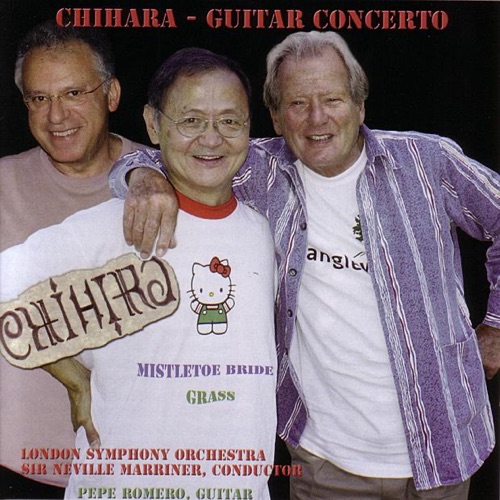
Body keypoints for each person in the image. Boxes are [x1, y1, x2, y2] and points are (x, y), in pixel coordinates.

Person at [110, 31, 500, 499]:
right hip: (324, 463)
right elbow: (167, 153)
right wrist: (144, 177)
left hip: (444, 448)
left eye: (332, 99)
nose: (317, 118)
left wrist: (497, 326)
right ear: (275, 118)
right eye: (297, 103)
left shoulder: (425, 162)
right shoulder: (259, 169)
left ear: (360, 106)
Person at [0, 47, 277, 500]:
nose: (211, 139)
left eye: (229, 121)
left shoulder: (264, 232)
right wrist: (73, 376)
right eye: (190, 120)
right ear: (153, 124)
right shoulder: (110, 226)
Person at [0, 20, 146, 498]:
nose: (56, 115)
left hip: (138, 474)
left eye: (74, 93)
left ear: (112, 94)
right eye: (38, 98)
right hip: (16, 472)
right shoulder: (3, 184)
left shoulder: (165, 180)